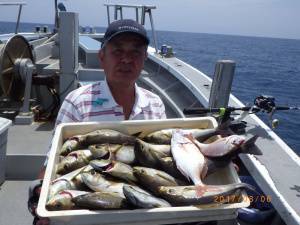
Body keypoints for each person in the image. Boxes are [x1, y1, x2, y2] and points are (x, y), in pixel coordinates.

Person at [28, 19, 166, 225]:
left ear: (145, 58)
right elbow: (55, 159)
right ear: (102, 57)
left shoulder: (154, 103)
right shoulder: (78, 101)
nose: (126, 60)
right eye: (117, 51)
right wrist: (41, 192)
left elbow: (159, 157)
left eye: (135, 52)